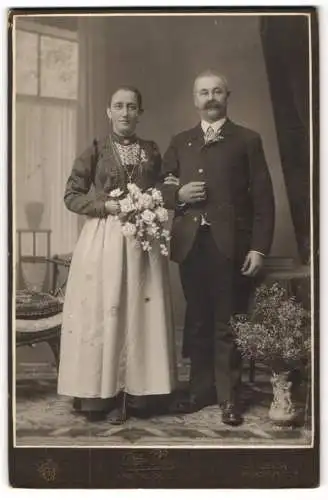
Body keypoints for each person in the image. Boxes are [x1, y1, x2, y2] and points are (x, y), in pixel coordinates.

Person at [161, 70, 275, 426]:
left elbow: (265, 201)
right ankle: (199, 391)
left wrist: (258, 248)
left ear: (228, 95)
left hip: (231, 247)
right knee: (197, 320)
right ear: (194, 100)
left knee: (229, 322)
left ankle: (228, 397)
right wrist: (177, 195)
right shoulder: (181, 141)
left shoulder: (247, 140)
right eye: (203, 93)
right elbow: (159, 188)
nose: (210, 98)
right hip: (191, 245)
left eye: (216, 92)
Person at [57, 86, 177, 424]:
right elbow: (71, 195)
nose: (125, 113)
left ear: (140, 112)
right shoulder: (96, 149)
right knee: (105, 309)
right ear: (109, 112)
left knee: (140, 311)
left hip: (142, 240)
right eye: (119, 107)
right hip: (104, 238)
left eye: (132, 107)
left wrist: (155, 200)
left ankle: (141, 391)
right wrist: (104, 205)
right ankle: (101, 392)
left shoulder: (152, 151)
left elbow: (167, 186)